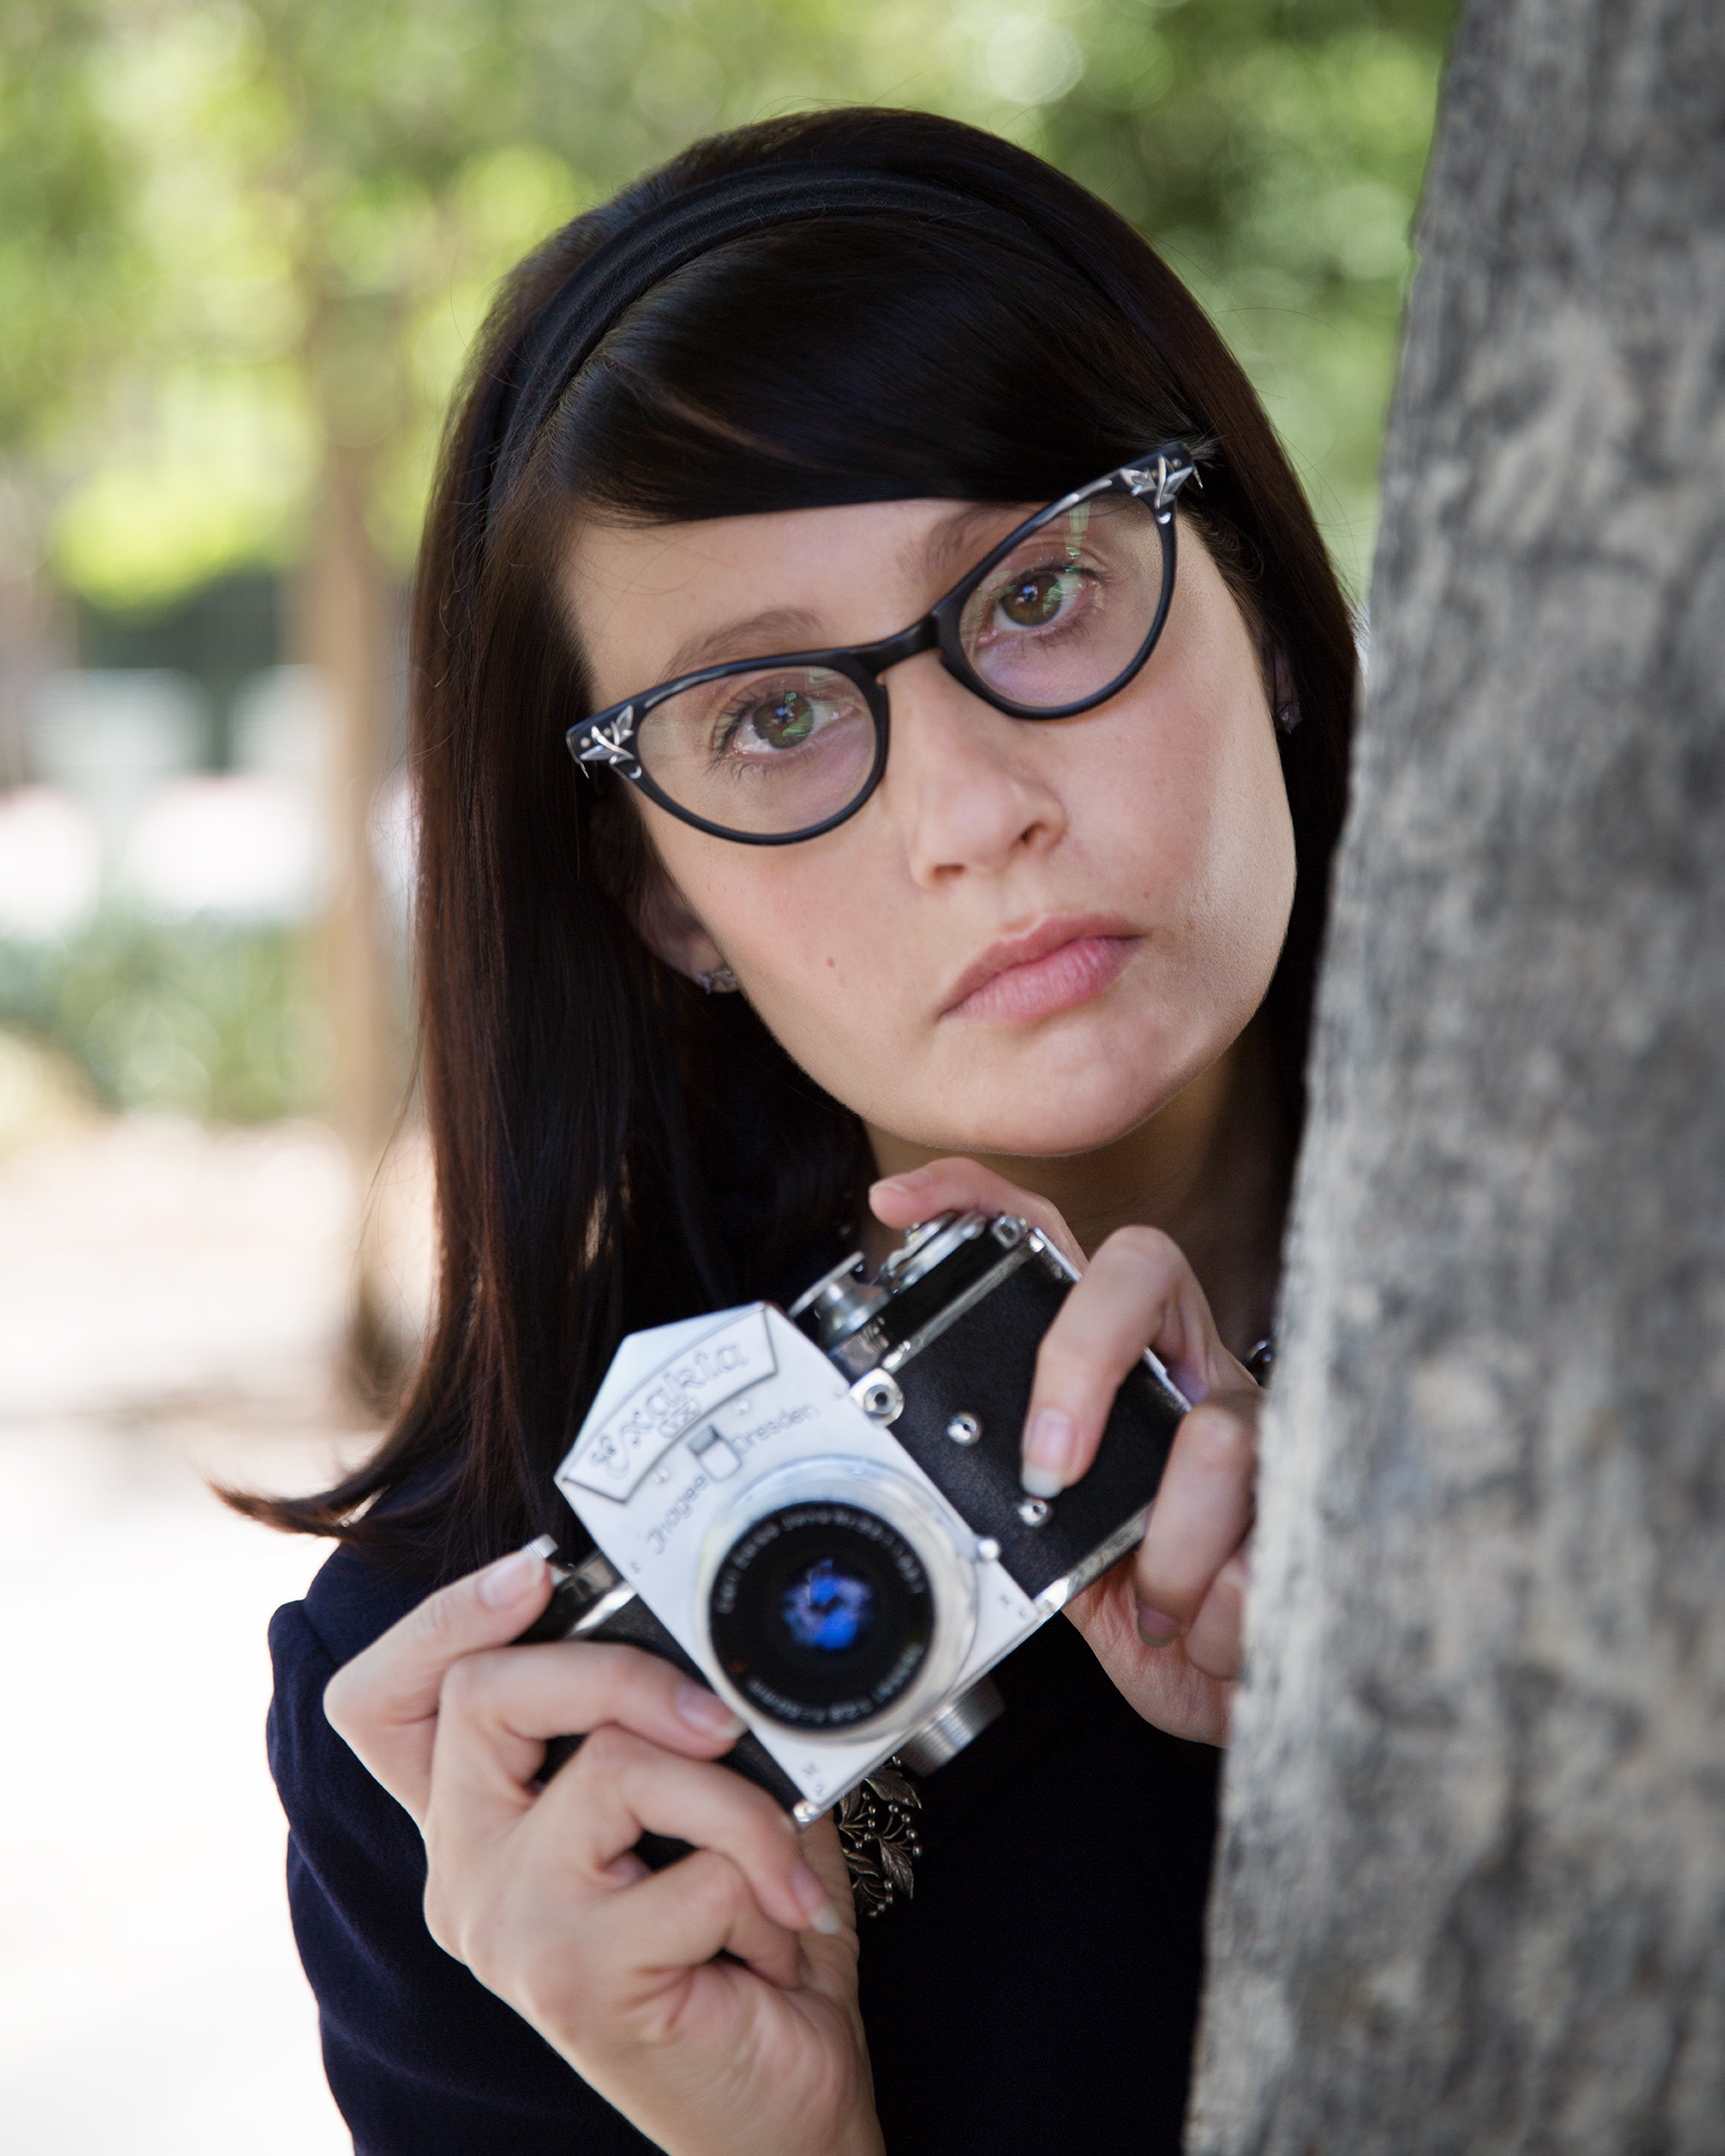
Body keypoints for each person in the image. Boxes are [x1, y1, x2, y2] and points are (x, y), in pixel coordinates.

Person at [246, 104, 1356, 2156]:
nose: (970, 815)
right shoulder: (495, 1707)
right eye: (767, 719)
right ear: (665, 894)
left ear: (1265, 610)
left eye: (1039, 592)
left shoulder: (1647, 1256)